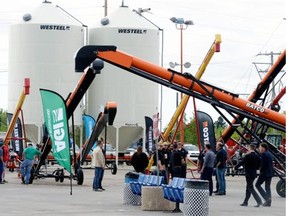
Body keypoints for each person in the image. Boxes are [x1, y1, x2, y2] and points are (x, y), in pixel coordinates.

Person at [255, 142, 274, 207]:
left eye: (260, 147)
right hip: (270, 173)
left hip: (265, 173)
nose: (259, 149)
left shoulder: (264, 155)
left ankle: (266, 198)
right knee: (267, 187)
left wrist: (259, 172)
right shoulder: (269, 153)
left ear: (263, 148)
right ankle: (269, 202)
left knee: (257, 185)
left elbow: (263, 165)